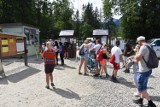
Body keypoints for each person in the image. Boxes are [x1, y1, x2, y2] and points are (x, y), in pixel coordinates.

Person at [133, 36, 156, 107]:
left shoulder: (143, 47)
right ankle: (141, 100)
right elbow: (144, 57)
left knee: (141, 89)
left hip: (143, 71)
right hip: (148, 69)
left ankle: (151, 103)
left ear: (140, 41)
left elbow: (137, 59)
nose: (138, 44)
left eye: (138, 42)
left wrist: (137, 49)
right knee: (144, 86)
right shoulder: (149, 46)